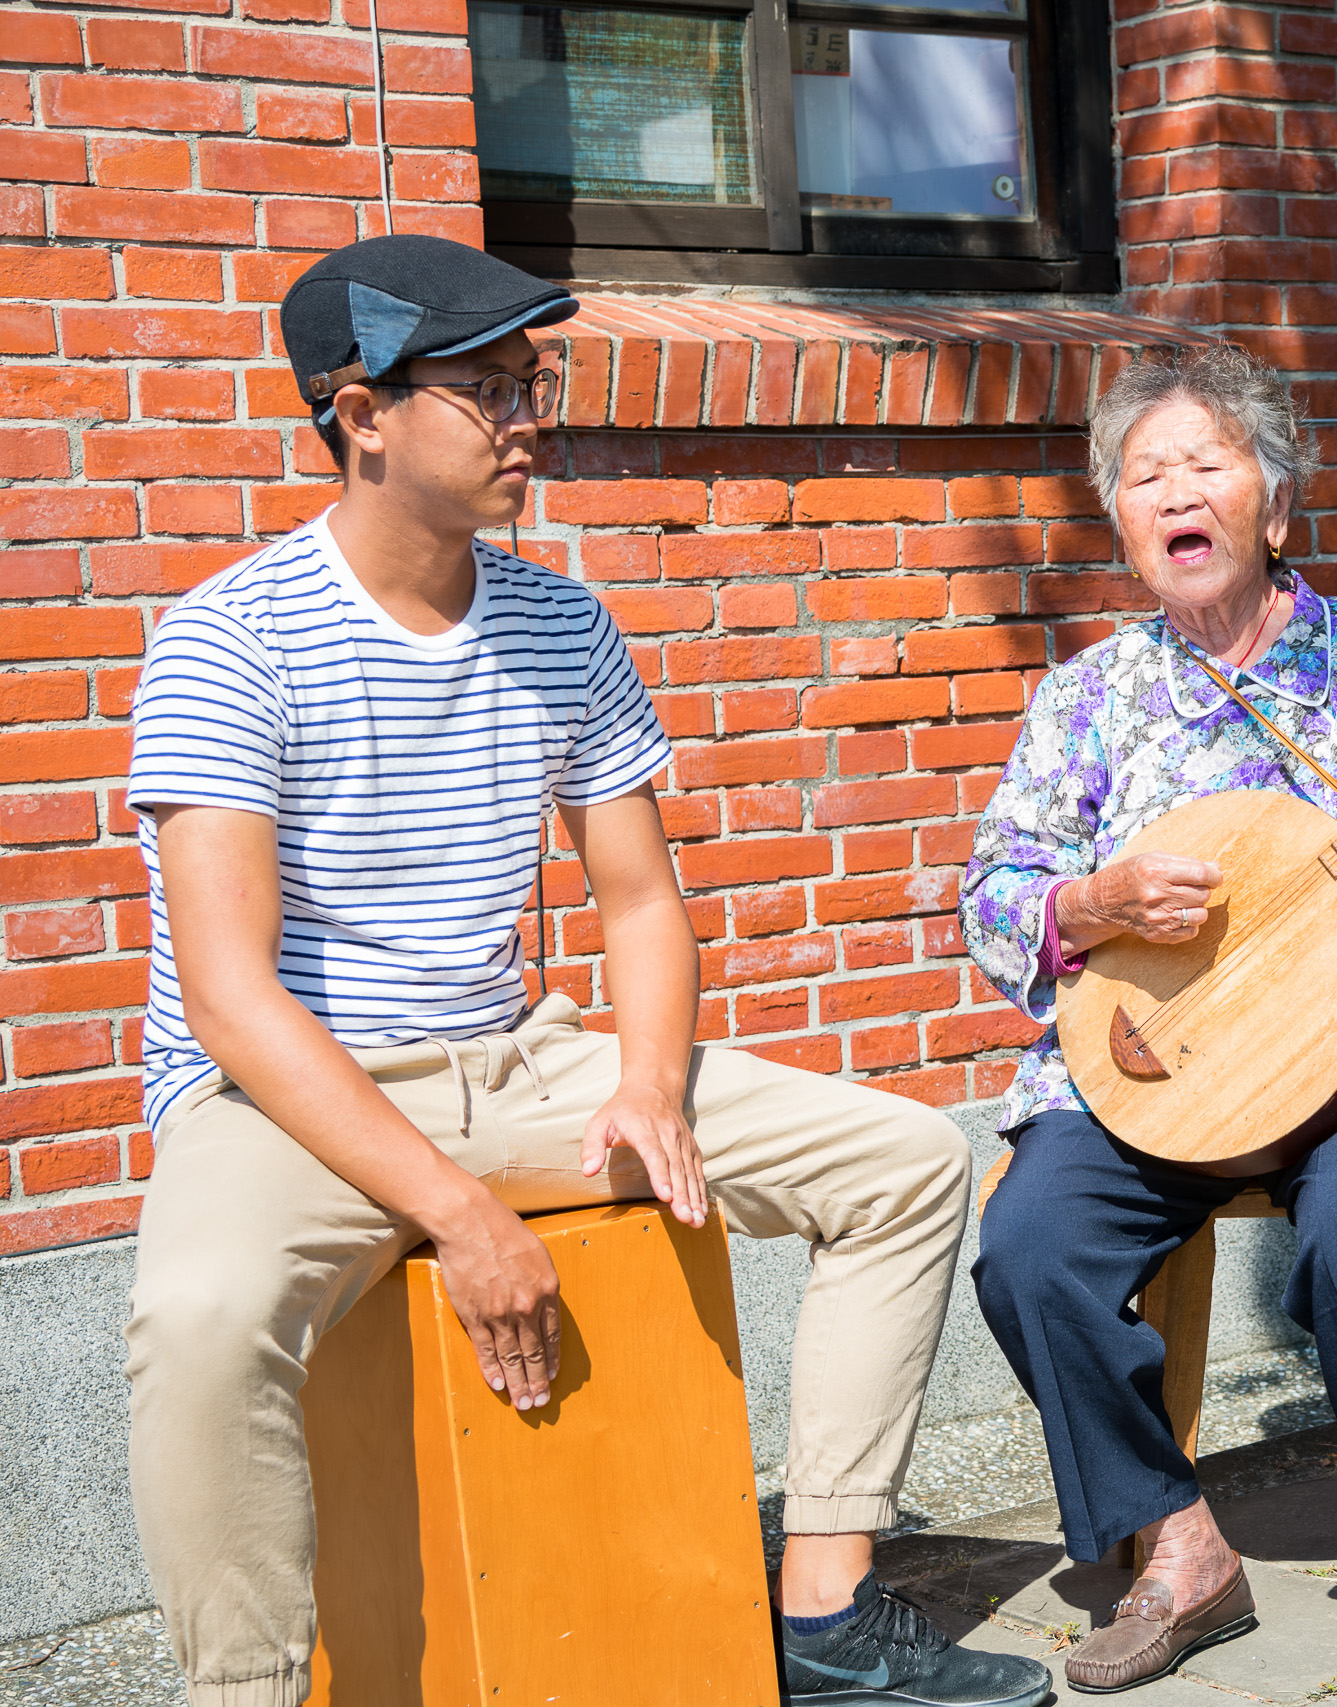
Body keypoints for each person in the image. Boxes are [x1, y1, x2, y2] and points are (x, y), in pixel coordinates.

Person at [120, 233, 1050, 1707]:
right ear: (360, 415)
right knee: (200, 1320)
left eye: (532, 381)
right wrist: (460, 1215)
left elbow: (639, 903)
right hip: (287, 1090)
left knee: (907, 1159)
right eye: (487, 390)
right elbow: (232, 999)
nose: (529, 418)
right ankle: (238, 1692)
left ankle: (820, 1611)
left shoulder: (561, 621)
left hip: (513, 1055)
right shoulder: (231, 641)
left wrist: (648, 1084)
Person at [962, 345, 1337, 1704]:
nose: (1176, 490)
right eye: (1145, 474)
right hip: (1155, 1071)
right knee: (1026, 1245)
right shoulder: (1088, 696)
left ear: (1278, 505)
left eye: (1207, 461)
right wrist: (1099, 896)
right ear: (1123, 525)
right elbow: (996, 891)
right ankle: (1181, 1546)